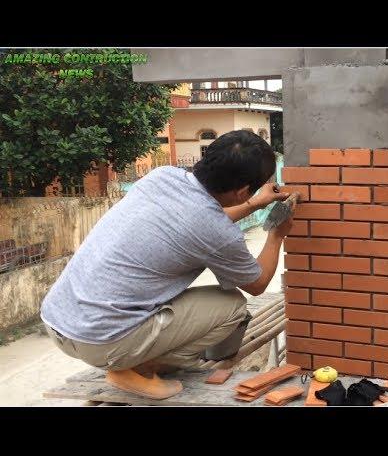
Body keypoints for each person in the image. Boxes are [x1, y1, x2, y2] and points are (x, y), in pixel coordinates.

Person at [40, 130, 293, 399]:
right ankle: (136, 369)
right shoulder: (217, 232)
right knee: (232, 306)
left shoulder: (162, 177)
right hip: (101, 340)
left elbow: (201, 220)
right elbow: (257, 283)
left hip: (59, 318)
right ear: (242, 190)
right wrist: (276, 234)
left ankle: (130, 360)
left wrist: (253, 204)